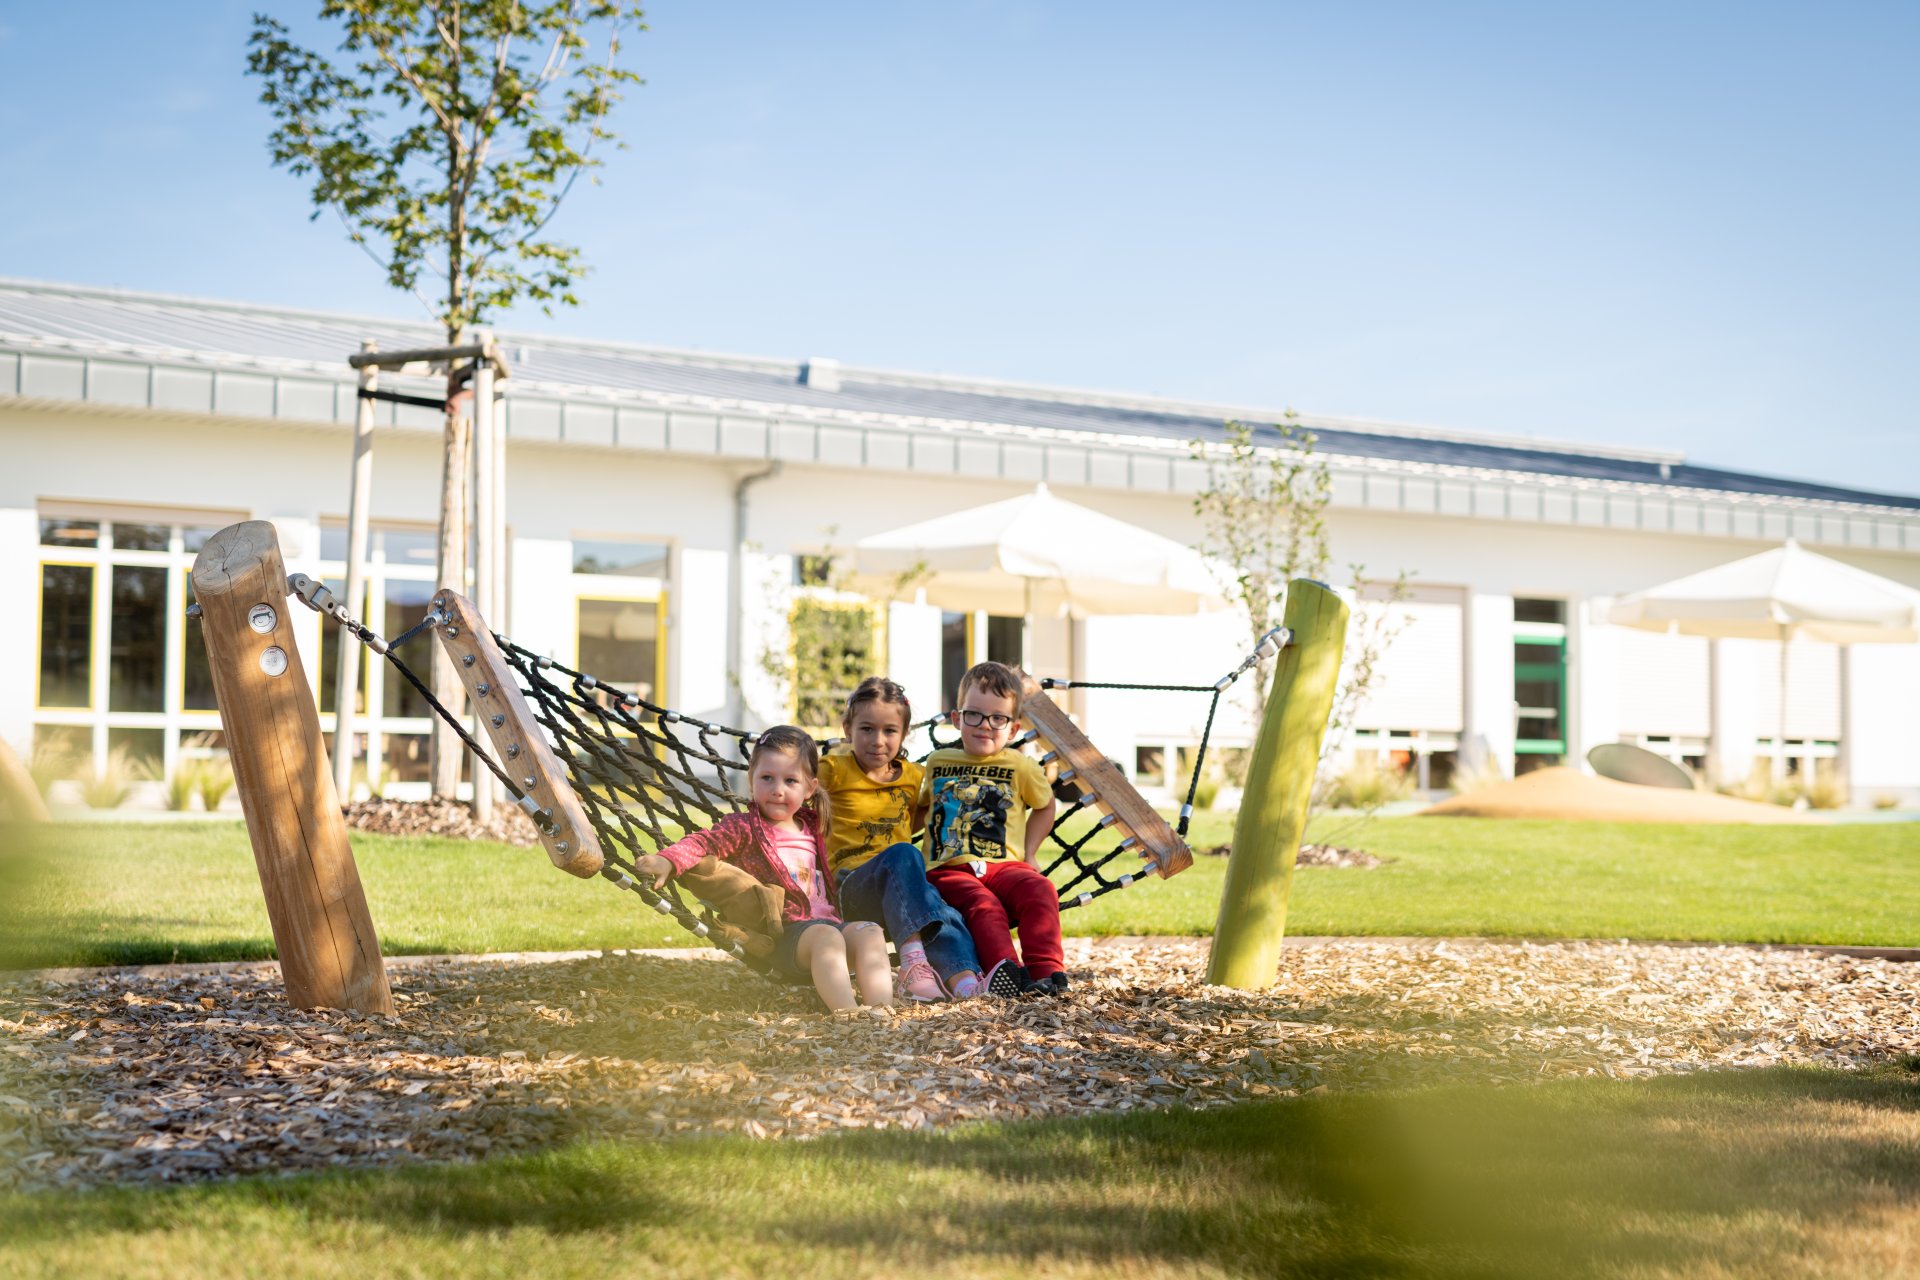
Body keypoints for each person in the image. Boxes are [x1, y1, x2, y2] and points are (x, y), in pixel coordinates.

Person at [635, 726, 891, 1012]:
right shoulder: (743, 827)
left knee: (870, 931)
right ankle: (850, 1017)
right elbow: (704, 842)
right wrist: (669, 860)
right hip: (785, 937)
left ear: (809, 789)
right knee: (827, 937)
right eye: (767, 778)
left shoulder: (811, 827)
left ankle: (882, 1013)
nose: (777, 790)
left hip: (827, 930)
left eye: (790, 780)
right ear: (751, 780)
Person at [818, 677, 983, 1001]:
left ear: (904, 734)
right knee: (904, 855)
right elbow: (799, 791)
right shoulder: (834, 769)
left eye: (889, 731)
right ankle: (912, 965)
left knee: (941, 906)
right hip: (852, 889)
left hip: (900, 896)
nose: (878, 741)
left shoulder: (914, 777)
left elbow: (925, 813)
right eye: (866, 729)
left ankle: (963, 980)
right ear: (847, 727)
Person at [921, 661, 1065, 996]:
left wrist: (1030, 854)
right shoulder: (937, 763)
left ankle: (1045, 974)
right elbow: (921, 808)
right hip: (948, 869)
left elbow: (1045, 806)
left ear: (1013, 730)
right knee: (983, 905)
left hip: (1006, 866)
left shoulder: (1021, 766)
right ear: (957, 719)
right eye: (974, 715)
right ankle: (1005, 972)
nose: (985, 725)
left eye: (998, 718)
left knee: (1041, 890)